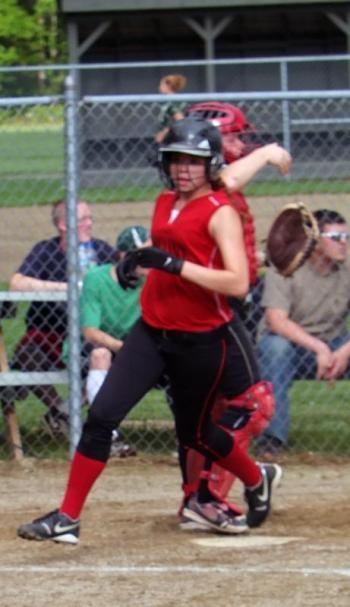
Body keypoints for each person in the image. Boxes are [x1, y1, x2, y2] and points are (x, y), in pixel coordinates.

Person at [17, 117, 283, 545]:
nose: (183, 169)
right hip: (152, 331)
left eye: (194, 162)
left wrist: (174, 265)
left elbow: (236, 282)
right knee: (101, 416)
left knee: (197, 434)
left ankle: (256, 478)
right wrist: (137, 262)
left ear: (211, 164)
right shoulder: (165, 202)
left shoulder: (222, 213)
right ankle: (67, 517)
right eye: (176, 159)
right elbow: (167, 251)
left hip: (200, 340)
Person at [177, 102, 287, 529]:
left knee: (207, 410)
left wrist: (257, 258)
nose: (244, 144)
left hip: (204, 304)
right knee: (252, 405)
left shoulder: (209, 190)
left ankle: (198, 498)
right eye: (237, 137)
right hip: (212, 309)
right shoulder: (216, 181)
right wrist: (268, 153)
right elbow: (229, 176)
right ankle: (212, 495)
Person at [8, 199, 114, 439]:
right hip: (51, 332)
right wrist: (67, 288)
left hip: (91, 333)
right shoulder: (47, 250)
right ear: (64, 225)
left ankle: (66, 412)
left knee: (111, 355)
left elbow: (120, 279)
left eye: (90, 218)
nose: (89, 224)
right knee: (28, 352)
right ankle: (60, 410)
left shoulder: (101, 250)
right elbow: (18, 282)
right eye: (83, 219)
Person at [256, 209, 350, 456]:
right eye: (336, 237)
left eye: (347, 237)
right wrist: (319, 348)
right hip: (290, 347)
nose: (344, 244)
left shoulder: (347, 269)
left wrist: (343, 352)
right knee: (276, 348)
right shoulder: (286, 264)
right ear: (315, 240)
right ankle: (271, 440)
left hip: (335, 345)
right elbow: (276, 321)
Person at [80, 224, 149, 457]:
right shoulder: (97, 279)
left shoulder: (152, 281)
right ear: (121, 255)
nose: (145, 262)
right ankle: (107, 436)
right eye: (137, 256)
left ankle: (188, 435)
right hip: (94, 349)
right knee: (101, 355)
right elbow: (90, 331)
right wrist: (125, 348)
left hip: (134, 349)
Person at [154, 74, 187, 145]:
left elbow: (179, 119)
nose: (159, 87)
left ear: (168, 86)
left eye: (162, 85)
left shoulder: (173, 102)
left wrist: (164, 133)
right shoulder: (169, 101)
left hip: (172, 138)